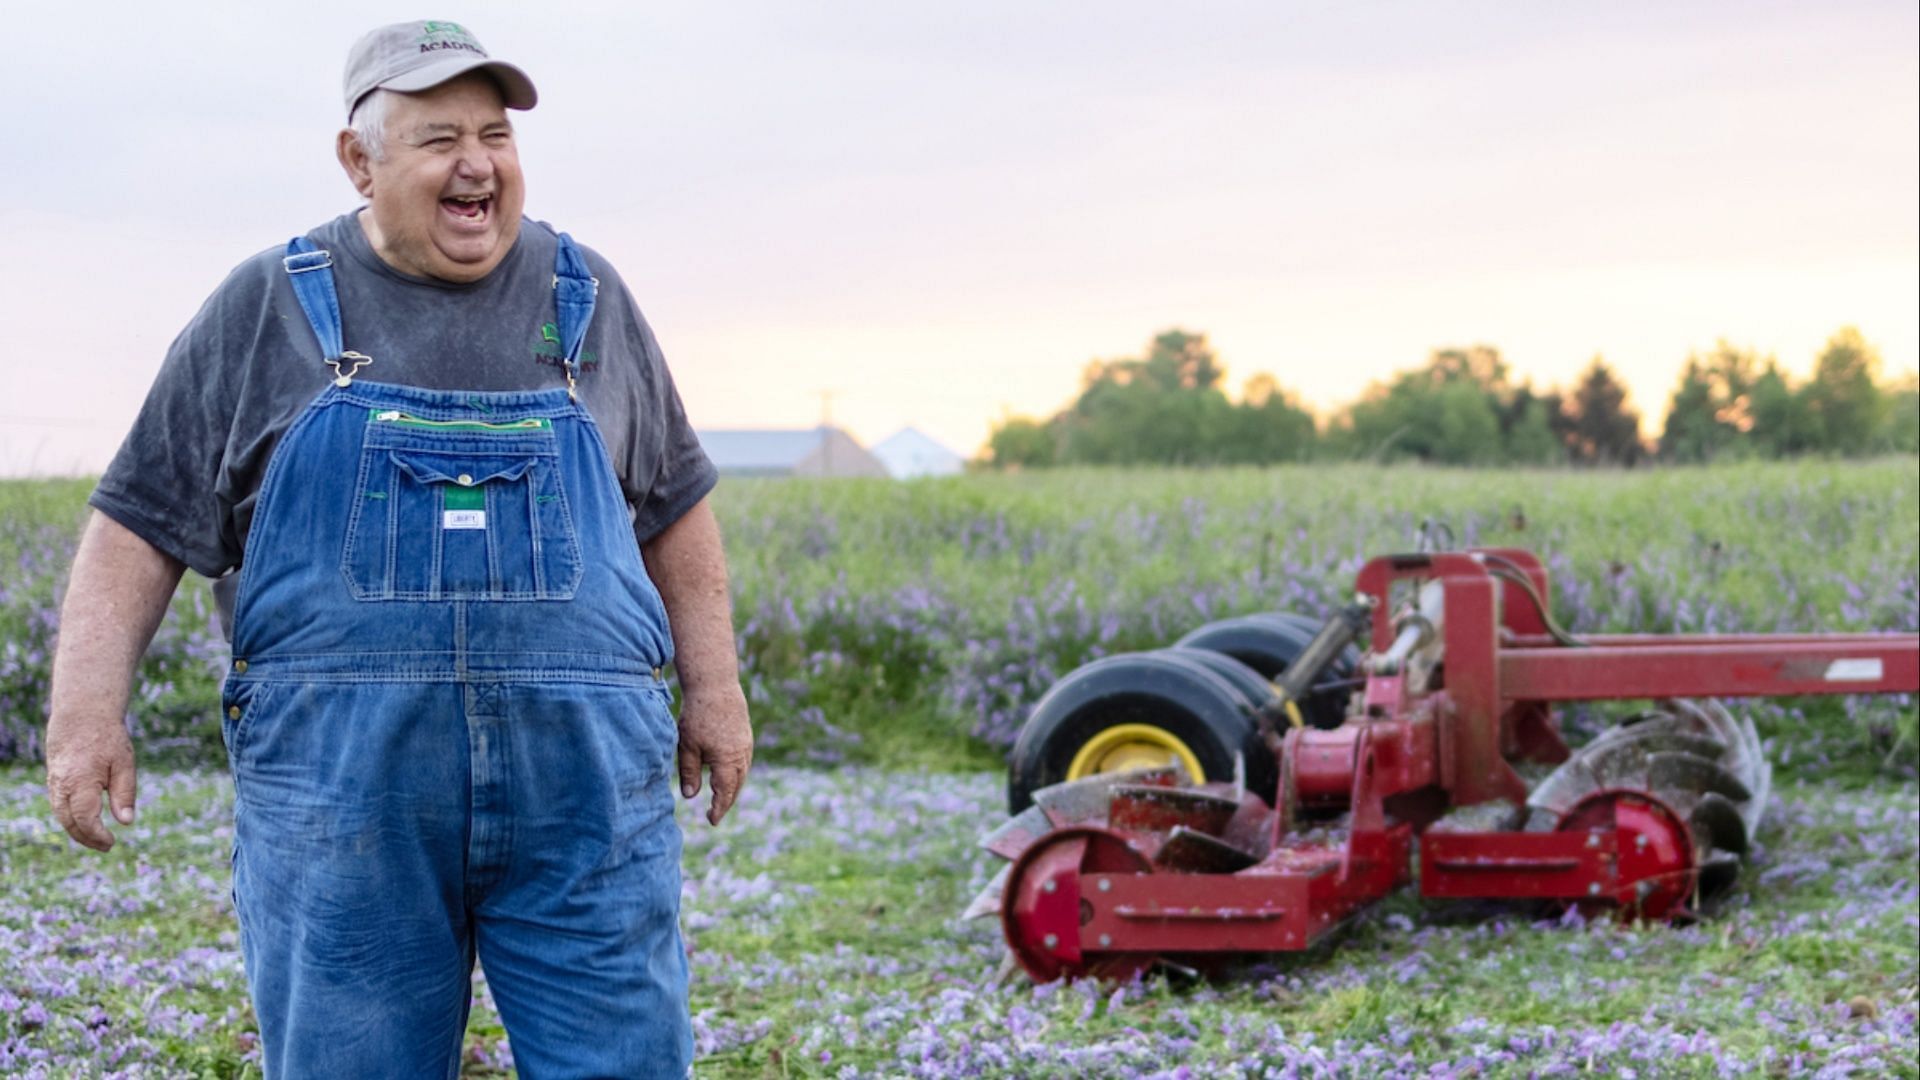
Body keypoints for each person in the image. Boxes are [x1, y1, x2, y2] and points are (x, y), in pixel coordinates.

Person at [43, 20, 751, 1077]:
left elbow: (673, 507)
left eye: (496, 136)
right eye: (439, 138)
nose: (477, 165)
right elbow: (140, 520)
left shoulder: (587, 296)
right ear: (358, 161)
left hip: (583, 803)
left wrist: (717, 686)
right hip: (346, 801)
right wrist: (85, 714)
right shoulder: (266, 307)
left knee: (623, 1060)